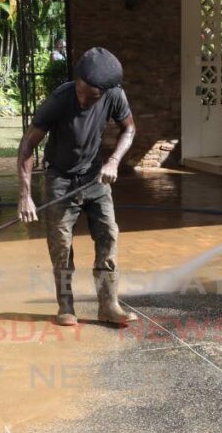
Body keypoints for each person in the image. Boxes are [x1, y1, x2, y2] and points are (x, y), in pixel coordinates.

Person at [17, 47, 138, 327]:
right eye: (81, 91)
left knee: (108, 233)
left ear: (105, 91)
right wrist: (25, 196)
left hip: (96, 178)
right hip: (59, 179)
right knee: (61, 244)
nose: (84, 99)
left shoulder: (115, 96)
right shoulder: (60, 99)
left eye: (91, 96)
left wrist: (115, 161)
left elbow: (129, 129)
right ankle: (66, 305)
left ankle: (108, 305)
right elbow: (27, 144)